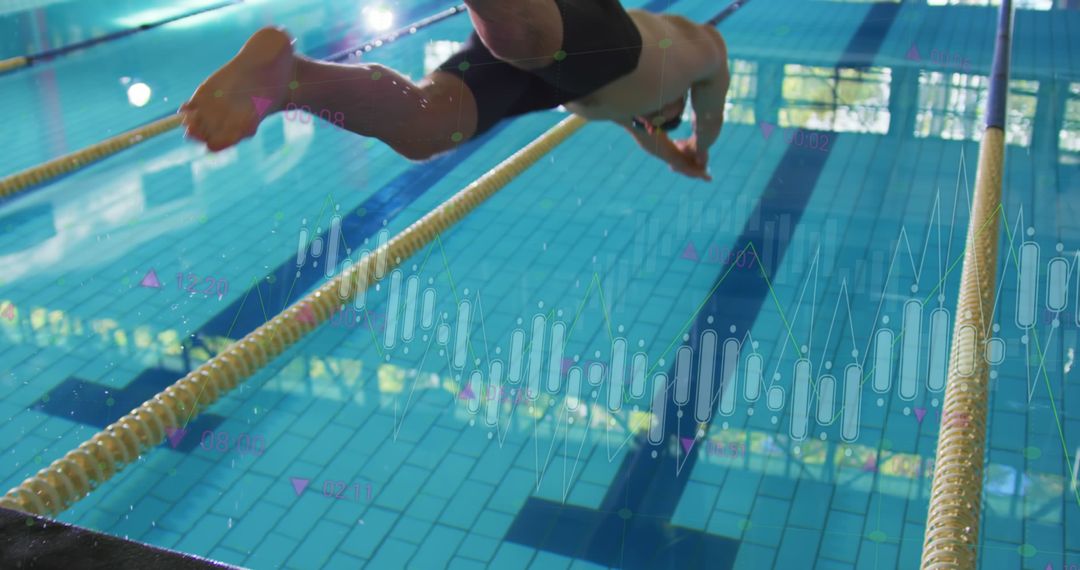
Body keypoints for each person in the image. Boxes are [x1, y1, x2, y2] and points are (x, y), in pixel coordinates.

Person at [180, 0, 730, 181]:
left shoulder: (628, 114)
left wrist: (682, 160)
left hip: (542, 73)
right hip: (600, 38)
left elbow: (650, 137)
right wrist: (703, 143)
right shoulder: (691, 59)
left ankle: (292, 82)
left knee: (425, 127)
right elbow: (710, 99)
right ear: (670, 105)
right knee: (523, 34)